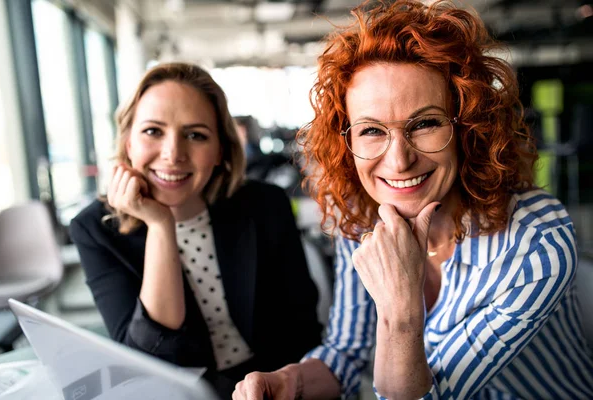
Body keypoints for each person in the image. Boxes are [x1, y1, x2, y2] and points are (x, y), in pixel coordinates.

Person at [233, 1, 593, 399]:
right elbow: (347, 356)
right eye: (371, 130)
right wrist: (290, 381)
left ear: (468, 129)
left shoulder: (535, 241)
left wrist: (400, 312)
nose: (399, 161)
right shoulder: (361, 214)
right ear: (346, 141)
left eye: (425, 124)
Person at [68, 62, 322, 399]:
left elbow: (301, 329)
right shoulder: (94, 229)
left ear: (219, 150)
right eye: (152, 131)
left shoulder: (265, 206)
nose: (173, 154)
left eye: (195, 135)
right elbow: (145, 359)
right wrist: (161, 225)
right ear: (128, 142)